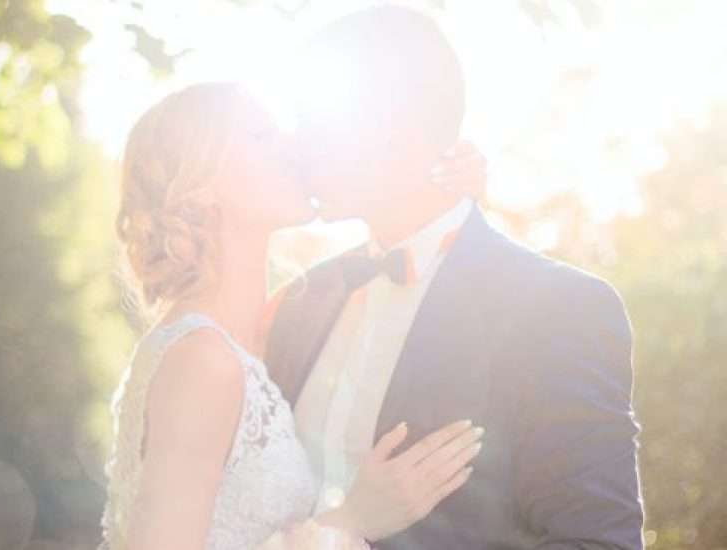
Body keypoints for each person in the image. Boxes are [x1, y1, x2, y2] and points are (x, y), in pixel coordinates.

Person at [265, 6, 644, 549]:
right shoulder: (303, 301)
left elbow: (596, 540)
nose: (295, 147)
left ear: (395, 137)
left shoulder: (557, 309)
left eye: (314, 124)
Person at [98, 82, 488, 549]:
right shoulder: (202, 361)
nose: (294, 145)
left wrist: (436, 187)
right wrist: (350, 520)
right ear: (200, 188)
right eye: (262, 135)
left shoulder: (263, 334)